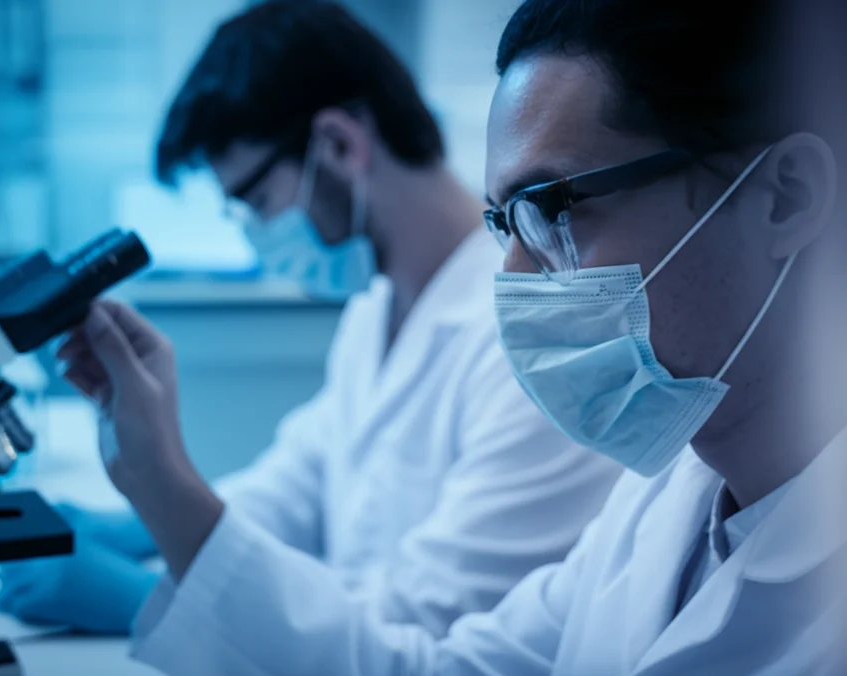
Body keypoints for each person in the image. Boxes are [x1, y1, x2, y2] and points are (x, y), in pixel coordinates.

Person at [48, 0, 847, 671]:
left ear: (784, 198)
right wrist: (145, 500)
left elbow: (416, 629)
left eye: (552, 211)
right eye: (506, 222)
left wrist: (156, 536)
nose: (516, 281)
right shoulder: (662, 503)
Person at [0, 0, 620, 636]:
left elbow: (429, 622)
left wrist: (143, 599)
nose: (256, 236)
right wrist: (137, 521)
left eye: (258, 201)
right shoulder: (376, 306)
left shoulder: (529, 337)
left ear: (339, 144)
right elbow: (298, 486)